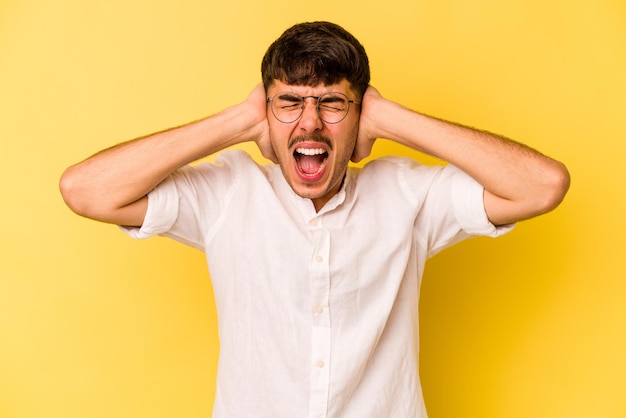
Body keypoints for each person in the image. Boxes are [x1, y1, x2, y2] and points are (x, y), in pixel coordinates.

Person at [60, 21, 569, 418]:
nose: (310, 121)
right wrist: (236, 122)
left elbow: (542, 185)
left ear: (360, 112)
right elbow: (85, 191)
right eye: (289, 102)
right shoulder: (227, 193)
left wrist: (392, 120)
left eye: (331, 103)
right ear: (266, 111)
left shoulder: (409, 196)